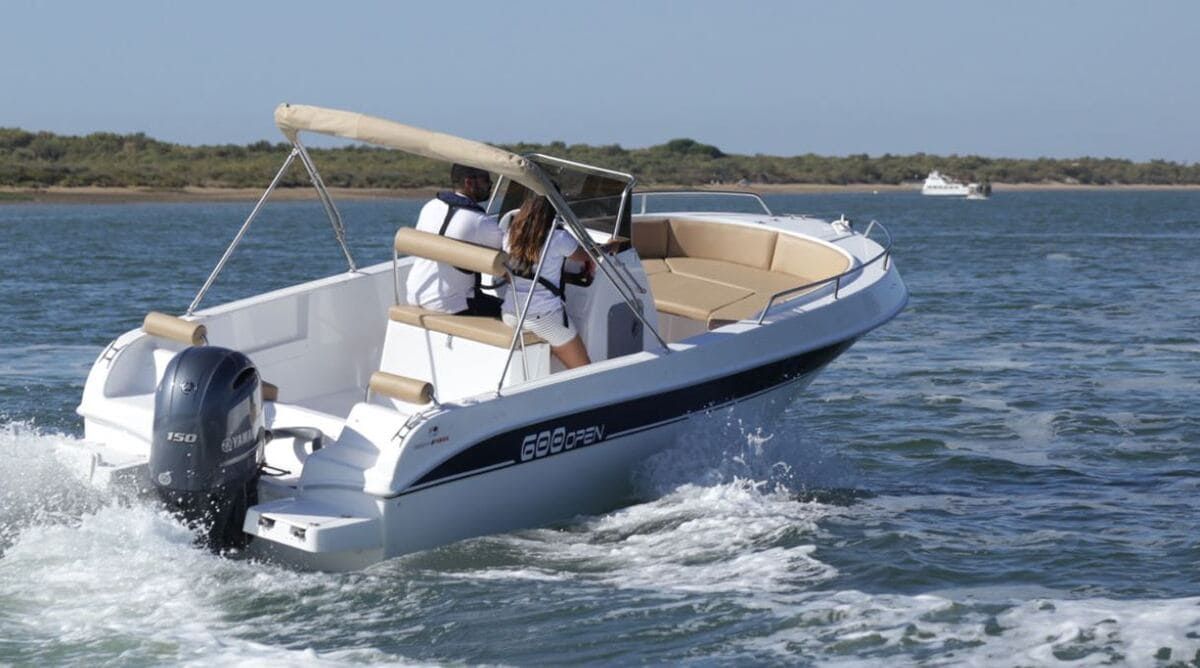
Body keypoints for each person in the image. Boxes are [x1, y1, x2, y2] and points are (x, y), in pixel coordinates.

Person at [501, 195, 593, 369]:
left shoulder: (510, 235)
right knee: (584, 368)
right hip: (543, 318)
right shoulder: (558, 237)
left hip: (510, 313)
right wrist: (610, 247)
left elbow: (529, 270)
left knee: (551, 356)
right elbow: (586, 255)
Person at [404, 164, 504, 316]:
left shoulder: (430, 206)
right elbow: (509, 255)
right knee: (515, 313)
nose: (490, 185)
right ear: (469, 183)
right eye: (486, 180)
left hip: (415, 294)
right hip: (451, 303)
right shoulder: (478, 220)